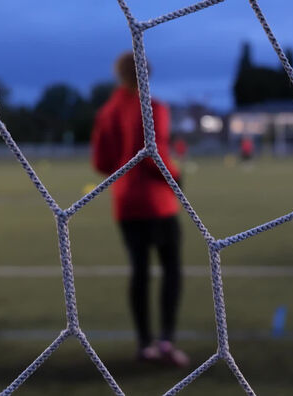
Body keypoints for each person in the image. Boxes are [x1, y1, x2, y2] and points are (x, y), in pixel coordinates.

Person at [91, 52, 189, 366]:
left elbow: (100, 162)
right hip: (156, 202)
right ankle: (165, 342)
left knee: (140, 272)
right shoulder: (153, 107)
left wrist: (124, 174)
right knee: (171, 270)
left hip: (125, 203)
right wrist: (176, 176)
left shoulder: (107, 112)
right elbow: (153, 153)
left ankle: (144, 344)